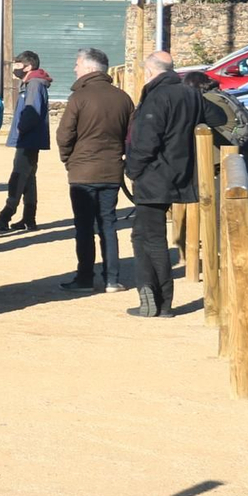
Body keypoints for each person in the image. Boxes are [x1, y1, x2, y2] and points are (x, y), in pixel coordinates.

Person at [125, 51, 201, 319]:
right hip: (178, 173)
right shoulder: (190, 93)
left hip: (154, 175)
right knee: (143, 235)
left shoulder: (157, 96)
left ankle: (159, 300)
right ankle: (153, 296)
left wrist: (132, 169)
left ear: (148, 71)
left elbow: (147, 140)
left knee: (150, 237)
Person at [54, 47, 134, 292]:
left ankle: (85, 277)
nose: (74, 69)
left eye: (77, 64)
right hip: (111, 169)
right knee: (108, 223)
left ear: (89, 68)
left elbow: (64, 134)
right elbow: (131, 136)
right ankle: (112, 278)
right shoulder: (123, 98)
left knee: (84, 226)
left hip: (82, 171)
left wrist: (69, 160)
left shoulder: (79, 97)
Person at [0, 51, 52, 234]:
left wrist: (21, 130)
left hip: (28, 139)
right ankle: (29, 219)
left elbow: (31, 111)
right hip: (30, 138)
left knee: (19, 176)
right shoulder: (31, 82)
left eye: (18, 65)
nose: (15, 68)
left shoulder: (34, 84)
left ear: (27, 66)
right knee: (28, 178)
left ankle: (5, 216)